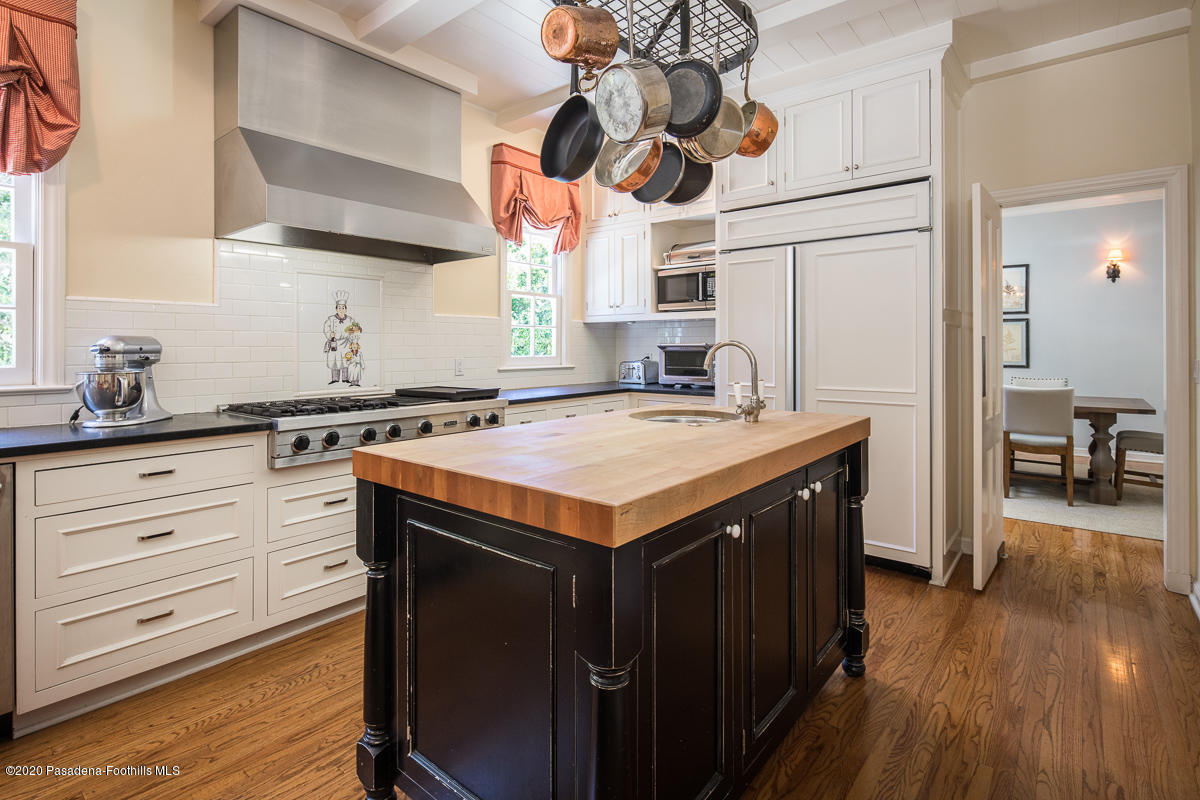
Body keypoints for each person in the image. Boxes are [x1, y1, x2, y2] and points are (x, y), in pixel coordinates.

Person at [322, 290, 364, 385]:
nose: (341, 309)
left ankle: (345, 378)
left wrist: (353, 333)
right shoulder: (331, 319)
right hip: (335, 344)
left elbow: (355, 329)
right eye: (339, 308)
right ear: (336, 309)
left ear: (346, 309)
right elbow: (326, 329)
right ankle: (335, 379)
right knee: (334, 362)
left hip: (346, 344)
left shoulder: (350, 320)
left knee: (346, 360)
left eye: (343, 308)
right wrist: (330, 335)